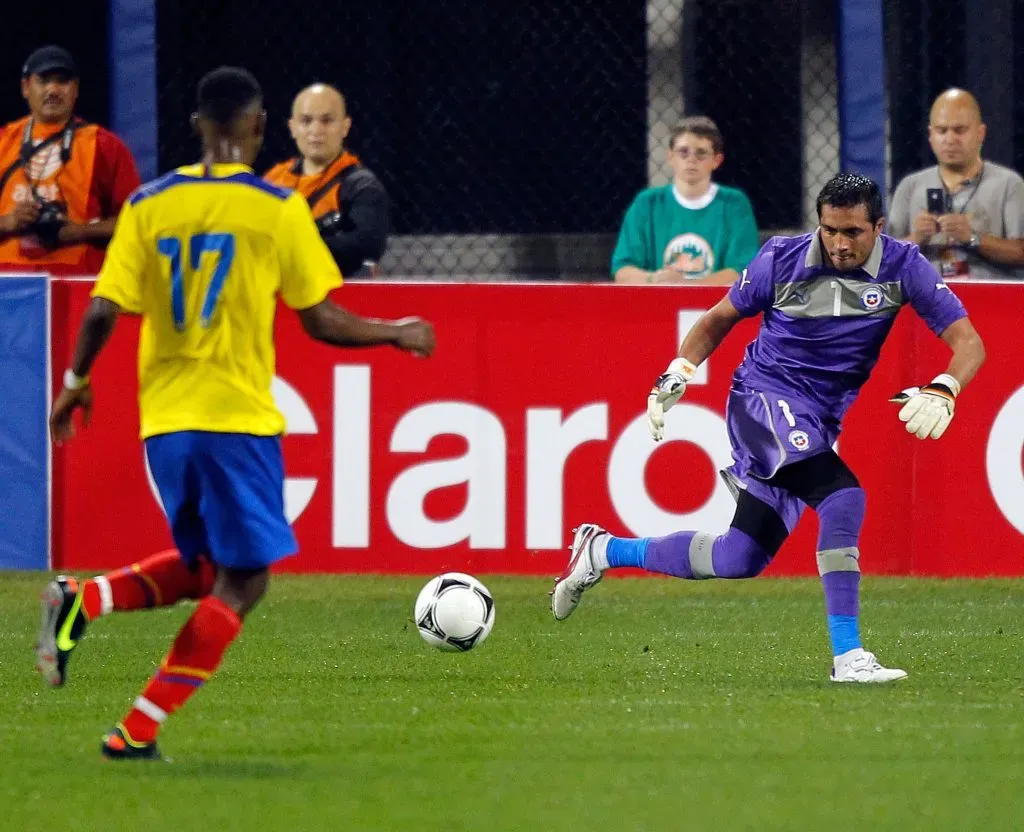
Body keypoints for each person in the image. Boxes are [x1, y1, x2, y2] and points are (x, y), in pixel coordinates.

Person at [37, 67, 435, 760]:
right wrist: (396, 332)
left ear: (198, 127)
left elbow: (104, 306)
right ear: (257, 128)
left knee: (203, 567)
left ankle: (85, 600)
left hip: (162, 422)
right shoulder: (277, 208)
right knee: (246, 579)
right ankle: (137, 729)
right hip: (234, 419)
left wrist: (74, 379)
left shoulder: (149, 205)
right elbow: (321, 320)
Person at [552, 173, 986, 683]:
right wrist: (679, 371)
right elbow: (717, 319)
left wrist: (944, 388)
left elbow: (970, 343)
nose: (840, 244)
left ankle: (602, 549)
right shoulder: (781, 258)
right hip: (762, 400)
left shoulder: (903, 266)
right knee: (843, 498)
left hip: (817, 421)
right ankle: (848, 656)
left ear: (878, 226)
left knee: (740, 556)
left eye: (853, 232)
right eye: (830, 230)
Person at [0, 46, 140, 274]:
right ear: (26, 87)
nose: (53, 90)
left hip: (78, 283)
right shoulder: (3, 141)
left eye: (62, 81)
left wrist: (80, 231)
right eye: (43, 81)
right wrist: (8, 221)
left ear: (75, 89)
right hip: (9, 284)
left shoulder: (104, 145)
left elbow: (135, 221)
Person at [888, 88, 1024, 280]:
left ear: (980, 133)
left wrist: (972, 237)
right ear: (930, 135)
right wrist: (917, 238)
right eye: (941, 130)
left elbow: (1021, 252)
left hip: (990, 298)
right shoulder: (910, 187)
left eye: (959, 130)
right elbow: (886, 258)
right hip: (926, 299)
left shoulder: (1009, 184)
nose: (950, 139)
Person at [612, 116, 759, 286]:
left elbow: (743, 272)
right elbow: (622, 269)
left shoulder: (734, 204)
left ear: (717, 160)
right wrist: (655, 279)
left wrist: (686, 289)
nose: (691, 160)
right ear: (670, 157)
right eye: (683, 152)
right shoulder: (647, 204)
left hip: (717, 308)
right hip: (657, 305)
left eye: (701, 153)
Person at [264, 84, 388, 278]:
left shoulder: (361, 186)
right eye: (306, 121)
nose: (316, 130)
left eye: (327, 120)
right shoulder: (274, 180)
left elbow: (366, 245)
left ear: (345, 127)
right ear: (292, 128)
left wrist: (294, 245)